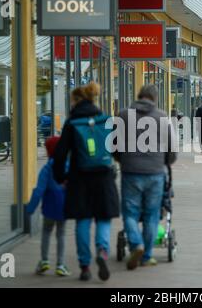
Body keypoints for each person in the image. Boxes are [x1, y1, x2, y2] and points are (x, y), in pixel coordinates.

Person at [53, 82, 119, 282]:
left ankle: (84, 266)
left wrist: (60, 178)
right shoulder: (106, 119)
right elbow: (117, 150)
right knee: (103, 218)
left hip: (79, 178)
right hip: (104, 176)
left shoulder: (72, 123)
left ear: (76, 100)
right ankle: (102, 250)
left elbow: (60, 154)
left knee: (83, 220)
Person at [114, 85, 177, 270]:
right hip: (155, 174)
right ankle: (147, 255)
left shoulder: (123, 115)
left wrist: (122, 160)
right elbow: (172, 150)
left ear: (139, 96)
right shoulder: (162, 117)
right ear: (154, 99)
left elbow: (114, 145)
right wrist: (165, 162)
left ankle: (136, 244)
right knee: (151, 215)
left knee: (130, 212)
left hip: (131, 172)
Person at [26, 136, 71, 277]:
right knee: (61, 234)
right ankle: (60, 265)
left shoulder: (47, 168)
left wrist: (30, 208)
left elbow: (38, 190)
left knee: (46, 232)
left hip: (49, 208)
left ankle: (44, 261)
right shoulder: (67, 166)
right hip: (63, 207)